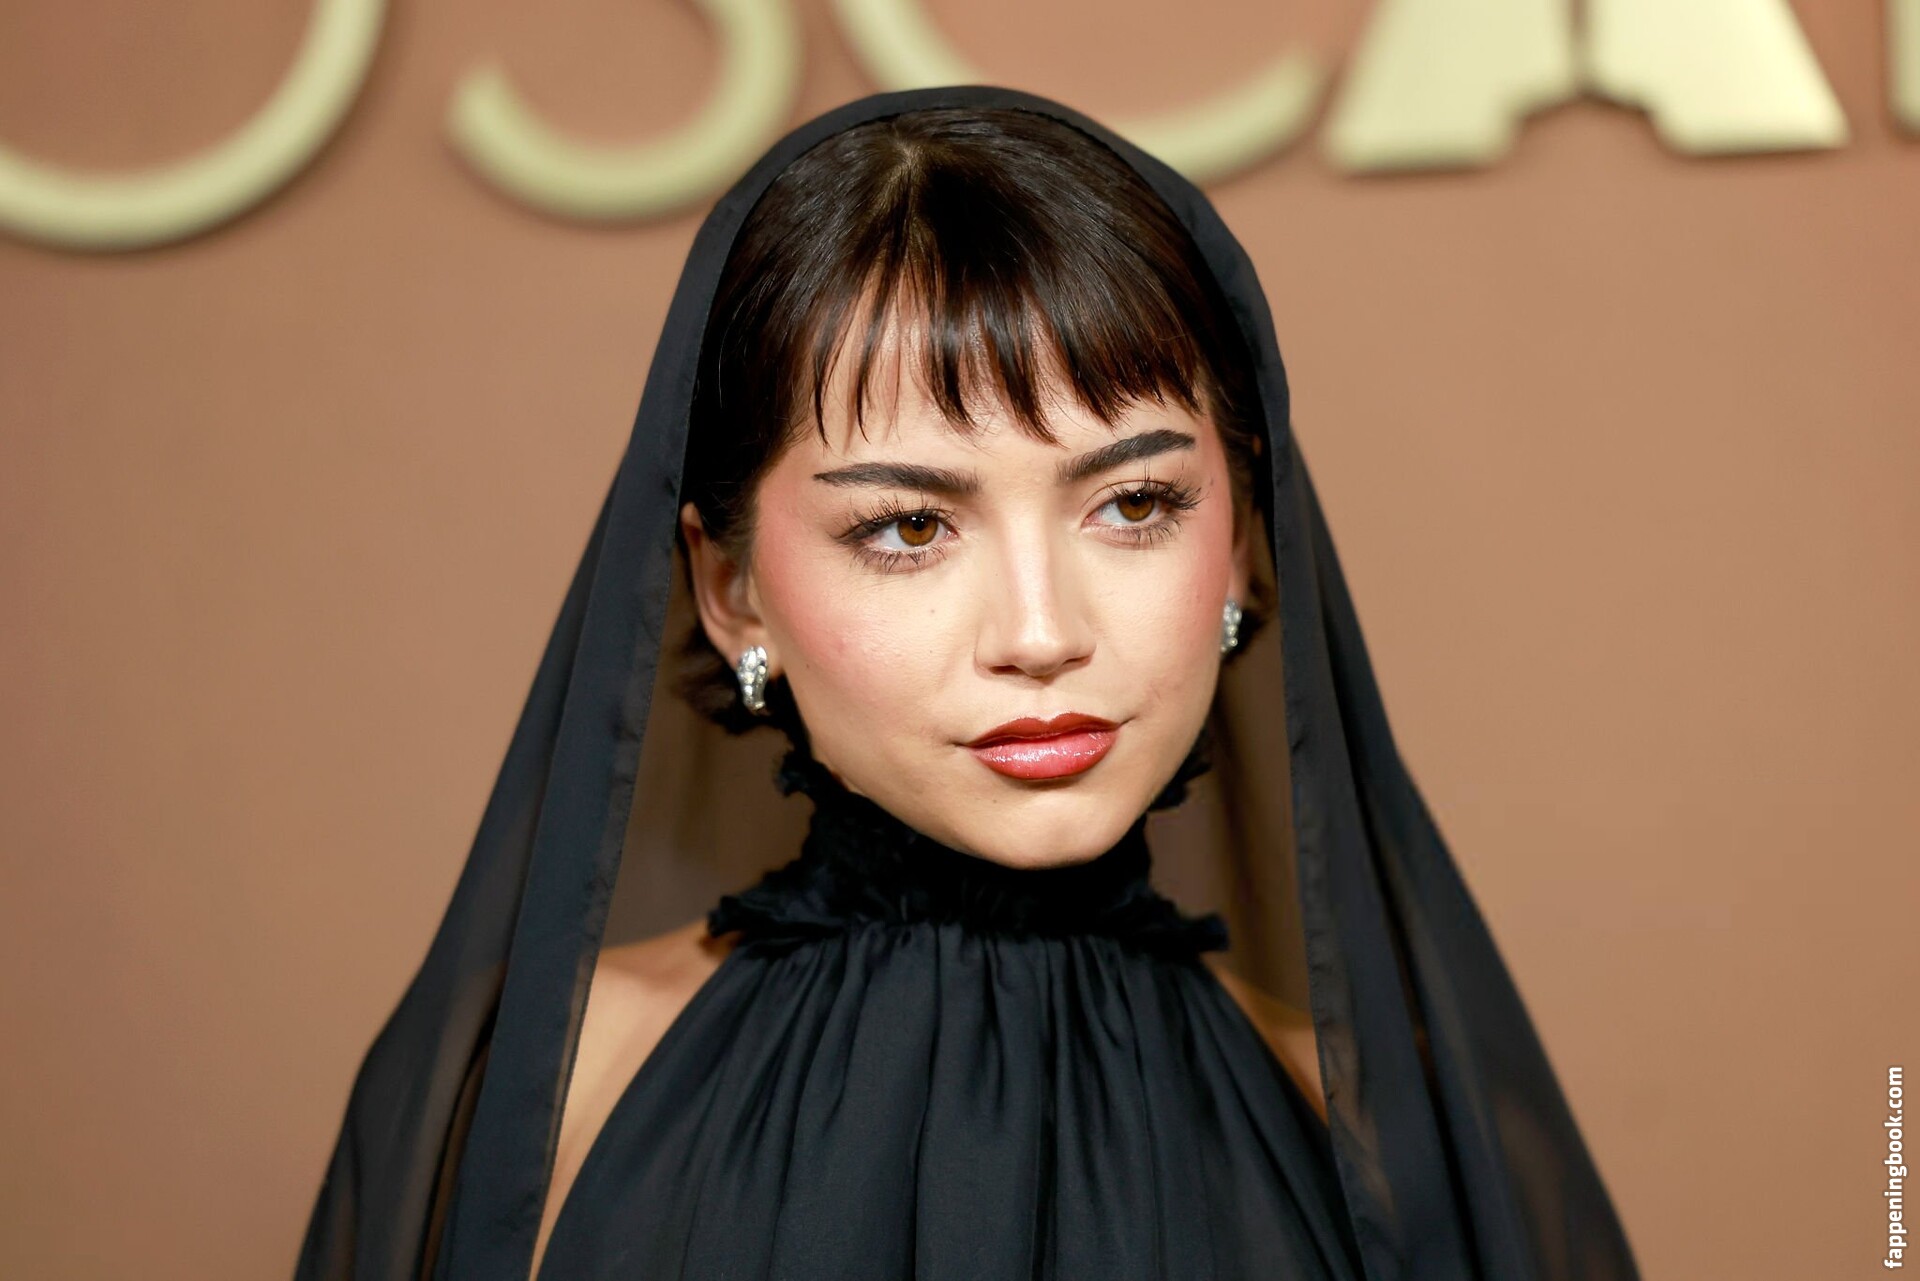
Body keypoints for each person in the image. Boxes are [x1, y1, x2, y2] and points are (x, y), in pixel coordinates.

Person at [296, 86, 1640, 1281]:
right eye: (909, 526)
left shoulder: (1399, 1145)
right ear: (730, 587)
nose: (1040, 633)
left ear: (1242, 542)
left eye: (1134, 503)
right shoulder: (539, 1095)